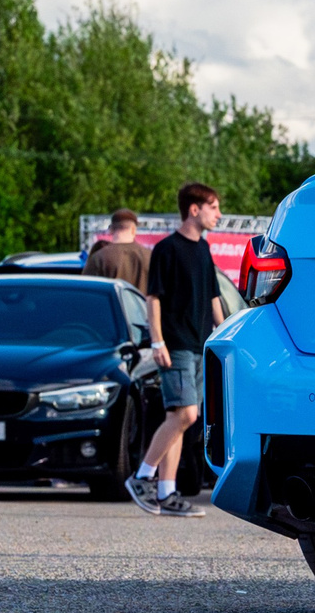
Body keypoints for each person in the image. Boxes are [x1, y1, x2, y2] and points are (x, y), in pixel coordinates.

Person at [131, 182, 223, 518]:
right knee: (186, 414)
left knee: (179, 419)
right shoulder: (167, 249)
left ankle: (167, 493)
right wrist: (157, 342)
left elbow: (214, 297)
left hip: (200, 346)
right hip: (176, 345)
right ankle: (142, 476)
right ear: (194, 209)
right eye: (214, 207)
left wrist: (223, 335)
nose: (219, 214)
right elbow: (152, 298)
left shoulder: (204, 250)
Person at [84, 208, 149, 287]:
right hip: (142, 299)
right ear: (133, 230)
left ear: (111, 229)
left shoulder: (99, 257)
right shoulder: (149, 256)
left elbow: (86, 290)